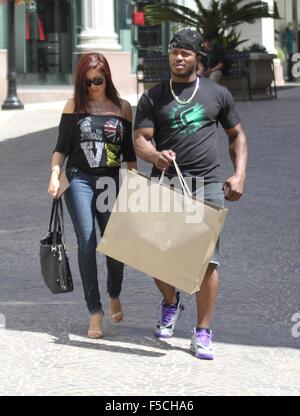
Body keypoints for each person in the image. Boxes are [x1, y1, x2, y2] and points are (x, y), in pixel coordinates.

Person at [134, 29, 248, 360]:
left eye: (186, 52)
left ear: (198, 58)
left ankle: (203, 331)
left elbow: (236, 135)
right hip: (166, 182)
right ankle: (171, 303)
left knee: (207, 259)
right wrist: (155, 156)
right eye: (174, 51)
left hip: (207, 184)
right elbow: (141, 139)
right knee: (155, 253)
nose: (179, 57)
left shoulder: (217, 93)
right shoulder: (153, 97)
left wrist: (239, 174)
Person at [48, 53, 137, 339]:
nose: (92, 87)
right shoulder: (74, 106)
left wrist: (135, 184)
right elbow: (61, 146)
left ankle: (114, 293)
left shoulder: (123, 108)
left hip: (109, 182)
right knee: (87, 243)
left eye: (97, 81)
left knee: (115, 244)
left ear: (107, 78)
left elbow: (130, 154)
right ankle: (95, 311)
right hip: (78, 179)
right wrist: (53, 173)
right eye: (86, 83)